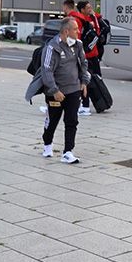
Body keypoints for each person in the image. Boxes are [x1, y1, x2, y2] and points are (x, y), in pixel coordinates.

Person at [39, 17, 91, 165]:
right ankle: (47, 144)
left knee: (72, 121)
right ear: (66, 31)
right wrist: (54, 90)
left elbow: (84, 64)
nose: (78, 31)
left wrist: (84, 82)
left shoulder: (78, 45)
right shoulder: (52, 47)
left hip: (73, 89)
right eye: (75, 29)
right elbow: (46, 70)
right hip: (55, 92)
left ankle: (68, 152)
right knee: (53, 121)